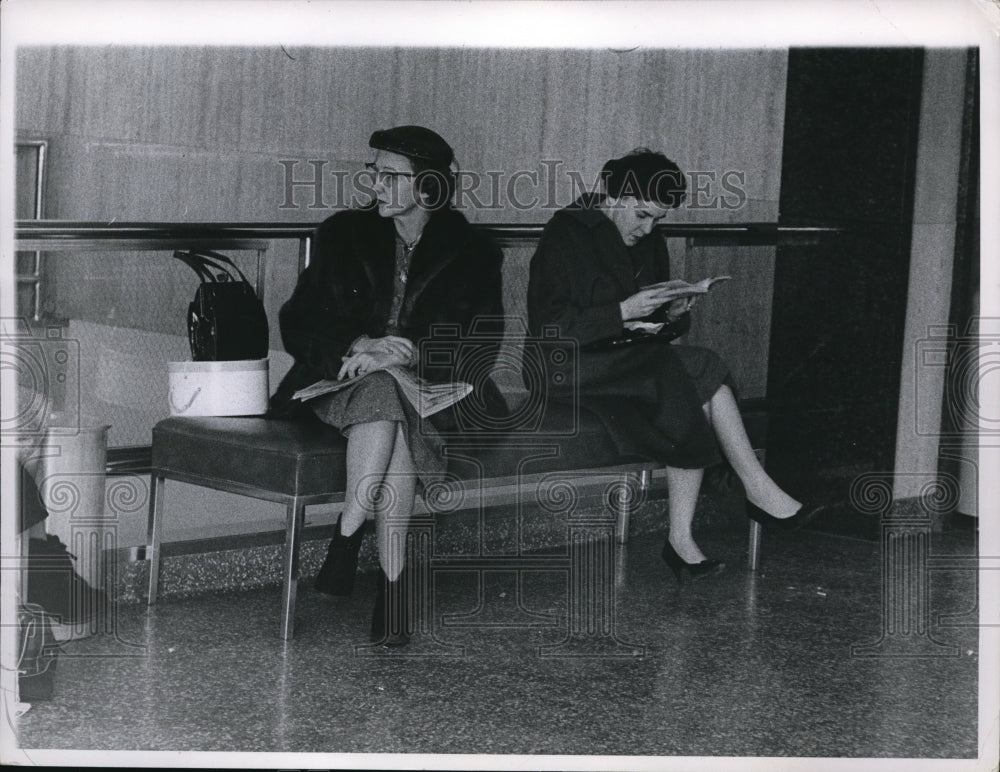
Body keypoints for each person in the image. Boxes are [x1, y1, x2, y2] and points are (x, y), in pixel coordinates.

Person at [527, 148, 821, 583]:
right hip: (564, 366)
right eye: (643, 215)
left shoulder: (647, 238)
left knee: (698, 373)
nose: (649, 228)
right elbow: (550, 327)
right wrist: (623, 311)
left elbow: (654, 326)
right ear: (615, 196)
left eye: (658, 219)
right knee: (692, 373)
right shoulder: (566, 232)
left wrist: (674, 311)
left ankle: (689, 537)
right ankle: (750, 493)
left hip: (627, 362)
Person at [271, 125, 505, 644]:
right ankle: (392, 586)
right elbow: (298, 321)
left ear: (427, 189)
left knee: (393, 396)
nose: (374, 184)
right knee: (384, 392)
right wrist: (358, 345)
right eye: (373, 172)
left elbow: (483, 343)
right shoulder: (342, 234)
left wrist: (414, 351)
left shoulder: (474, 251)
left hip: (434, 386)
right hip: (342, 380)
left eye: (388, 175)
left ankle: (349, 530)